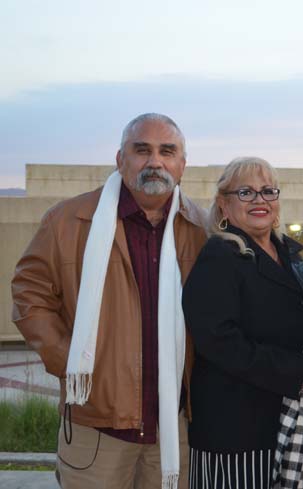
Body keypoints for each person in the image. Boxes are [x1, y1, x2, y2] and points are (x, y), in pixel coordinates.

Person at [11, 113, 207, 489]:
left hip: (174, 428)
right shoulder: (69, 220)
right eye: (141, 150)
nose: (155, 161)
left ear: (182, 165)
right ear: (120, 159)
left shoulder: (199, 228)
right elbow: (29, 293)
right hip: (96, 427)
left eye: (167, 151)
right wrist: (69, 360)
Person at [182, 157, 303, 489]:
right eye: (246, 192)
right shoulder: (220, 257)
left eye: (268, 191)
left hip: (294, 426)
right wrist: (296, 372)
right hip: (237, 430)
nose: (260, 200)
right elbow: (218, 341)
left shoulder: (294, 255)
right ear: (224, 204)